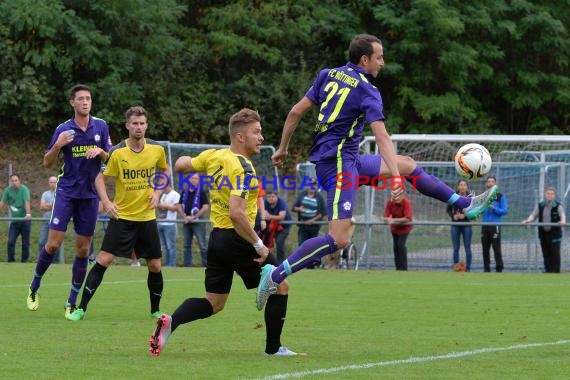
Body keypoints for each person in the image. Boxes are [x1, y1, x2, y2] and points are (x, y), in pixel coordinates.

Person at [256, 33, 498, 310]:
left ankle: (464, 204)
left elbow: (295, 113)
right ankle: (274, 275)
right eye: (379, 57)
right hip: (338, 167)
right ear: (364, 59)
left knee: (406, 163)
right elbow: (381, 137)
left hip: (348, 160)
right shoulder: (367, 90)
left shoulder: (328, 74)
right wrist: (394, 177)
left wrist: (283, 148)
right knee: (340, 238)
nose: (383, 62)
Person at [149, 108, 296, 357]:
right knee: (281, 287)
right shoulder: (244, 168)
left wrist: (203, 166)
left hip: (217, 239)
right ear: (240, 137)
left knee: (214, 303)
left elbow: (181, 164)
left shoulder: (214, 156)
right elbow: (237, 213)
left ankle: (171, 321)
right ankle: (274, 349)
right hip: (239, 240)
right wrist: (260, 245)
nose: (261, 137)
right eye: (256, 132)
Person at [66, 106, 166, 321]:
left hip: (147, 218)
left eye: (142, 123)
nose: (138, 127)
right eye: (135, 123)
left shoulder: (157, 149)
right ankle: (81, 308)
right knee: (103, 259)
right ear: (127, 126)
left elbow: (165, 172)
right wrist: (106, 202)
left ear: (146, 125)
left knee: (155, 265)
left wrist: (157, 193)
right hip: (123, 217)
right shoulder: (118, 152)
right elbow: (100, 178)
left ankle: (155, 311)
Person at [26, 84, 112, 316]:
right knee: (53, 244)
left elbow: (111, 157)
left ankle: (71, 301)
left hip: (90, 196)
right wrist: (58, 145)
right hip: (66, 192)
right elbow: (46, 162)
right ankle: (34, 286)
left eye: (89, 98)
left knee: (83, 250)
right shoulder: (63, 129)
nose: (85, 102)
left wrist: (101, 153)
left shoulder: (101, 126)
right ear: (72, 103)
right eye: (81, 99)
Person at [522, 187, 566, 273]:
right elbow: (533, 215)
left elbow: (562, 215)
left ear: (554, 196)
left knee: (555, 253)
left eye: (552, 194)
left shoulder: (558, 206)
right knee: (546, 253)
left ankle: (556, 272)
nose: (550, 195)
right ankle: (548, 271)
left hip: (555, 234)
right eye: (548, 194)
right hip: (543, 234)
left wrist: (563, 221)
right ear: (545, 195)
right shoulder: (541, 205)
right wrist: (528, 220)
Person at [292, 177, 326, 268]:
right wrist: (299, 209)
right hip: (303, 226)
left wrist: (312, 220)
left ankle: (312, 265)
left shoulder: (319, 197)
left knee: (313, 246)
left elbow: (323, 212)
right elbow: (293, 207)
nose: (311, 186)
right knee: (302, 244)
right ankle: (301, 264)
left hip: (314, 226)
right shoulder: (302, 195)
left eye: (314, 184)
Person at [178, 173, 209, 266]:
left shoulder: (202, 192)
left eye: (196, 178)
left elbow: (205, 207)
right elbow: (179, 205)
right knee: (186, 245)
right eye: (192, 178)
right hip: (186, 221)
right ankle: (187, 265)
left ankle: (206, 265)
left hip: (198, 221)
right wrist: (184, 216)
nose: (194, 180)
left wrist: (193, 217)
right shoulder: (184, 191)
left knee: (202, 245)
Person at [0, 174, 31, 263]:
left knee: (25, 243)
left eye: (16, 180)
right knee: (11, 241)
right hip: (15, 221)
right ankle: (11, 261)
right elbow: (2, 202)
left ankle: (24, 262)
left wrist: (28, 214)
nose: (14, 182)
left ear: (19, 181)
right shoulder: (8, 190)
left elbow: (27, 202)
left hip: (25, 221)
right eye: (12, 181)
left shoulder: (24, 189)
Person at [481, 176, 508, 272]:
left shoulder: (500, 196)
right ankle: (486, 269)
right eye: (488, 182)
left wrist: (494, 209)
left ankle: (499, 268)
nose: (490, 183)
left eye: (492, 182)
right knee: (485, 249)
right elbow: (479, 209)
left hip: (495, 225)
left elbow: (504, 211)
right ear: (486, 184)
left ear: (495, 184)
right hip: (484, 226)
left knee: (496, 248)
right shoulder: (483, 196)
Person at [446, 179, 473, 271]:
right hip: (455, 225)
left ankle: (468, 268)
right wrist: (454, 216)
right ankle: (456, 267)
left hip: (466, 225)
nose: (462, 187)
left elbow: (474, 211)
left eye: (464, 185)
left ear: (467, 187)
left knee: (467, 247)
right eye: (461, 185)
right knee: (456, 248)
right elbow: (448, 210)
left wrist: (465, 215)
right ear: (458, 187)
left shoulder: (471, 197)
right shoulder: (453, 196)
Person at [383, 195, 413, 271]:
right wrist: (388, 220)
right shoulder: (390, 202)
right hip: (394, 228)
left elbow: (407, 218)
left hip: (404, 228)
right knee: (396, 247)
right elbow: (385, 216)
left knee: (401, 245)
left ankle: (404, 268)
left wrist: (394, 220)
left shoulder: (406, 202)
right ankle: (398, 268)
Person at [263, 190, 292, 263]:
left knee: (279, 242)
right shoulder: (265, 203)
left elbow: (281, 217)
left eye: (273, 196)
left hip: (284, 226)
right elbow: (263, 214)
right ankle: (267, 261)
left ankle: (281, 262)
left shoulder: (281, 203)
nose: (271, 198)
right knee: (265, 242)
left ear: (277, 197)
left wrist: (269, 216)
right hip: (272, 226)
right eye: (269, 197)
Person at [38, 176, 62, 263]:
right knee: (42, 242)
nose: (52, 184)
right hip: (45, 221)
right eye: (51, 182)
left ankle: (55, 262)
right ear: (48, 183)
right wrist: (52, 206)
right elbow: (41, 207)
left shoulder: (60, 193)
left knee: (55, 244)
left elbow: (59, 207)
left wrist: (47, 205)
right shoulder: (45, 194)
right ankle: (42, 260)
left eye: (54, 182)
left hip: (56, 222)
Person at [157, 184, 180, 267]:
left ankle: (171, 265)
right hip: (160, 222)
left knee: (171, 246)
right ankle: (167, 264)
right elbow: (160, 205)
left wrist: (166, 206)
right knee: (164, 247)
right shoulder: (163, 195)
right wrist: (160, 205)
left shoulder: (175, 194)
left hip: (169, 224)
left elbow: (177, 208)